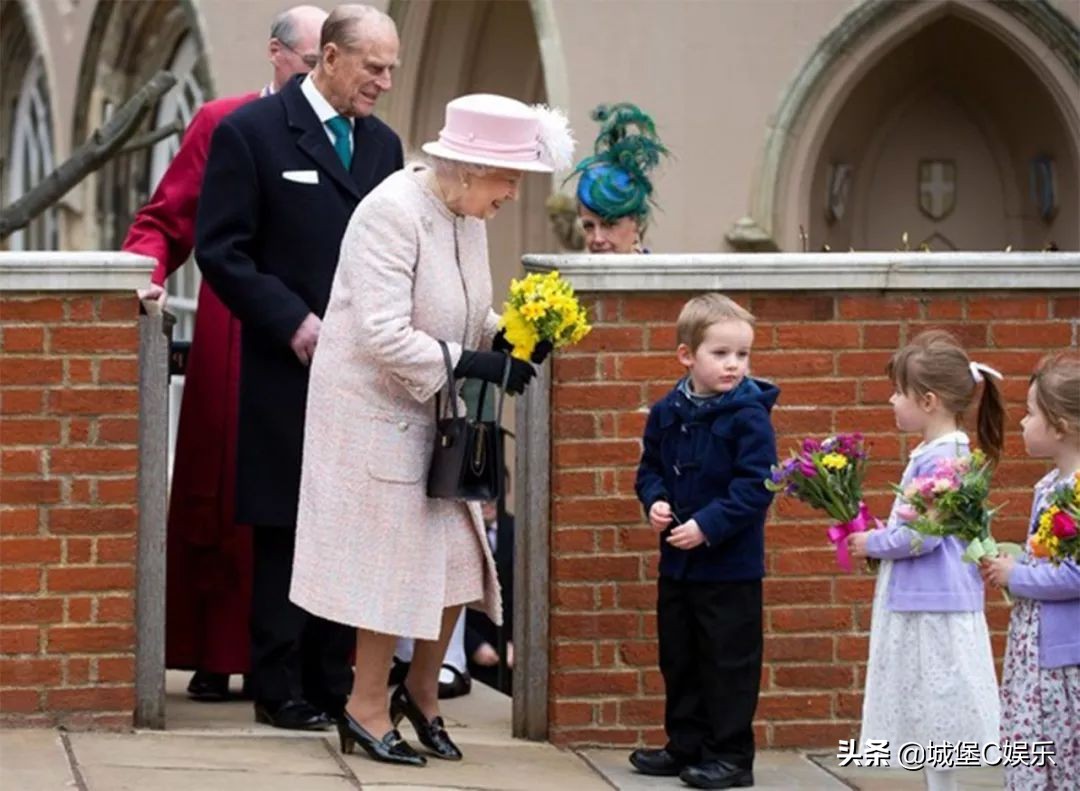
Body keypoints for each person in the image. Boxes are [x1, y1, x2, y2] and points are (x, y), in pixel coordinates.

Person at [289, 92, 574, 766]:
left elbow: (465, 313)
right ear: (470, 168)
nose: (513, 193)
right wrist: (473, 363)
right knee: (391, 569)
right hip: (372, 415)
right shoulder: (389, 212)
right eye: (509, 178)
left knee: (459, 559)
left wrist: (510, 339)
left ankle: (420, 691)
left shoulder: (467, 215)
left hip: (434, 413)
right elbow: (382, 333)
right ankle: (363, 707)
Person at [194, 5, 404, 731]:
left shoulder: (383, 146)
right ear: (331, 58)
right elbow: (221, 249)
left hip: (365, 374)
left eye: (392, 70)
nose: (384, 83)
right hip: (287, 367)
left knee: (349, 523)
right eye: (374, 68)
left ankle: (332, 682)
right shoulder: (251, 132)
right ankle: (278, 686)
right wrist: (290, 320)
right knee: (285, 525)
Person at [122, 4, 327, 703]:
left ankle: (296, 664)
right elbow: (165, 220)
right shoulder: (223, 122)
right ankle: (214, 650)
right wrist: (143, 277)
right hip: (237, 332)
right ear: (277, 54)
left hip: (319, 342)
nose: (319, 77)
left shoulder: (350, 135)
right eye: (310, 64)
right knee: (225, 497)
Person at [629, 294, 778, 789]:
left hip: (730, 569)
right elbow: (650, 469)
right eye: (721, 353)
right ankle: (686, 745)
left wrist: (708, 526)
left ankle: (730, 757)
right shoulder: (666, 412)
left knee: (727, 662)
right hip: (678, 565)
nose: (734, 364)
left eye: (743, 354)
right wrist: (655, 500)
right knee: (680, 657)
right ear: (687, 356)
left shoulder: (749, 417)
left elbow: (756, 486)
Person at [848, 330, 1004, 791]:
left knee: (937, 700)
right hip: (926, 597)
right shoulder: (940, 453)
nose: (892, 400)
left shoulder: (945, 459)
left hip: (932, 603)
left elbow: (924, 536)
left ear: (929, 401)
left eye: (899, 392)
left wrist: (873, 543)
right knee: (930, 701)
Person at [982, 352, 1080, 791]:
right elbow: (1048, 558)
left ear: (1060, 426)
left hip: (1063, 657)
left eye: (1030, 413)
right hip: (1034, 647)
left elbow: (1075, 574)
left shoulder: (1077, 494)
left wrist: (1017, 577)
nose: (1021, 422)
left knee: (1059, 747)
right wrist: (1013, 561)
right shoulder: (1049, 487)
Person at [570, 102, 669, 254]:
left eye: (609, 224)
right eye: (588, 226)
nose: (597, 239)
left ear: (637, 223)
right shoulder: (567, 270)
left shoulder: (661, 271)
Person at [465, 498, 515, 694]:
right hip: (470, 657)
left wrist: (517, 642)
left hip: (512, 658)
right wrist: (473, 645)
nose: (486, 502)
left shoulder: (520, 532)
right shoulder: (460, 534)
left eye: (491, 494)